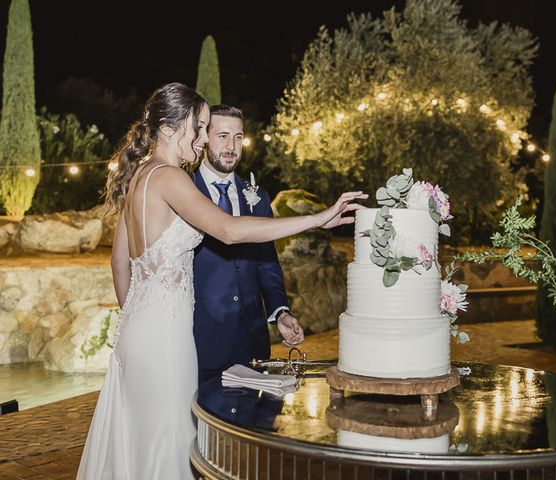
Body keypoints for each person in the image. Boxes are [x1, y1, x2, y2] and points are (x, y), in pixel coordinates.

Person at [76, 82, 366, 480]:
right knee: (169, 440)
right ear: (169, 128)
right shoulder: (170, 176)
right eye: (198, 128)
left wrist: (138, 317)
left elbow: (119, 262)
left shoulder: (139, 178)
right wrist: (317, 219)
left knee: (141, 435)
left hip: (139, 330)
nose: (201, 141)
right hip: (165, 336)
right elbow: (228, 231)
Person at [193, 104, 301, 386]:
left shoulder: (258, 197)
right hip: (201, 338)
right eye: (223, 136)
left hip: (252, 341)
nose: (232, 146)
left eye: (238, 137)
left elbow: (267, 262)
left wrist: (280, 311)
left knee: (250, 424)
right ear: (204, 137)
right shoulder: (185, 191)